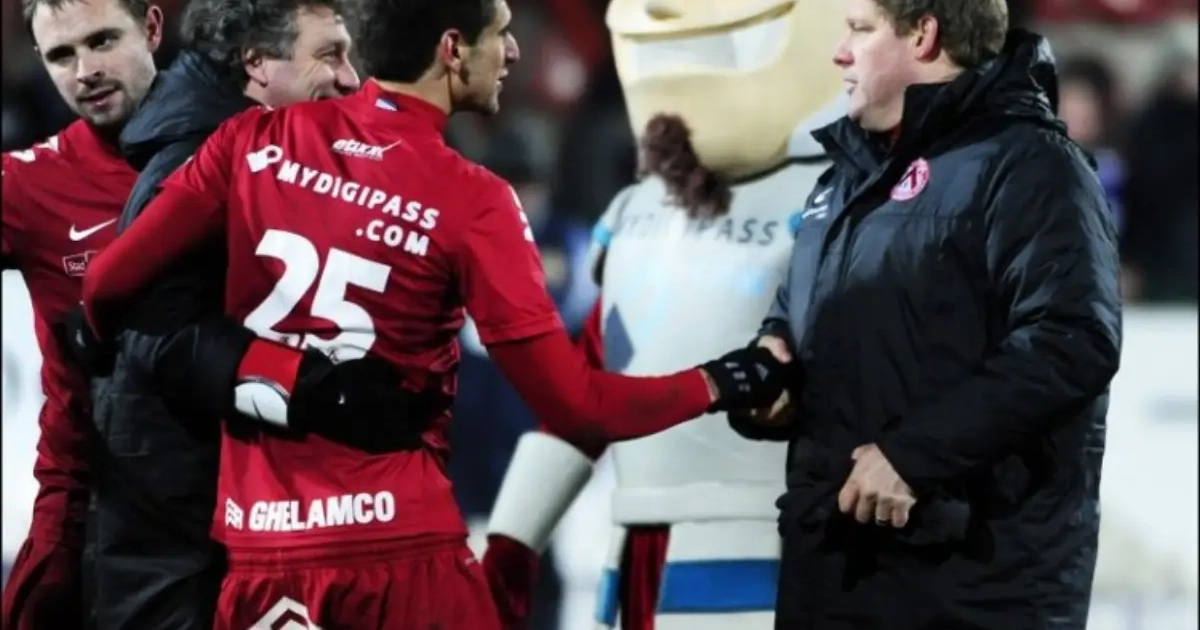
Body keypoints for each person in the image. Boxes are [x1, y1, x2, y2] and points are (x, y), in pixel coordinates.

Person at [76, 0, 789, 627]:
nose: (513, 51)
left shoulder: (250, 141)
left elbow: (107, 284)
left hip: (261, 554)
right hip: (402, 558)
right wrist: (722, 380)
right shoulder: (474, 199)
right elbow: (576, 405)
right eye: (500, 33)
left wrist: (114, 342)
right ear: (452, 50)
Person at [4, 1, 411, 629]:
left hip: (269, 496)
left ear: (153, 28)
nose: (85, 71)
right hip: (105, 505)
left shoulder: (256, 141)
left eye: (103, 41)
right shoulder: (30, 186)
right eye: (62, 54)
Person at [738, 1, 1122, 628]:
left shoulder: (1033, 165)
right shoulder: (844, 179)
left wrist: (913, 457)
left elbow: (1071, 340)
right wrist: (775, 365)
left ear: (923, 35)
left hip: (972, 587)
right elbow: (797, 317)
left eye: (860, 30)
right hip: (834, 566)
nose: (840, 52)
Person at [480, 0, 847, 627]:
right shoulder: (636, 211)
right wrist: (511, 540)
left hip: (771, 541)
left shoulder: (839, 197)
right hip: (636, 551)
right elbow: (581, 398)